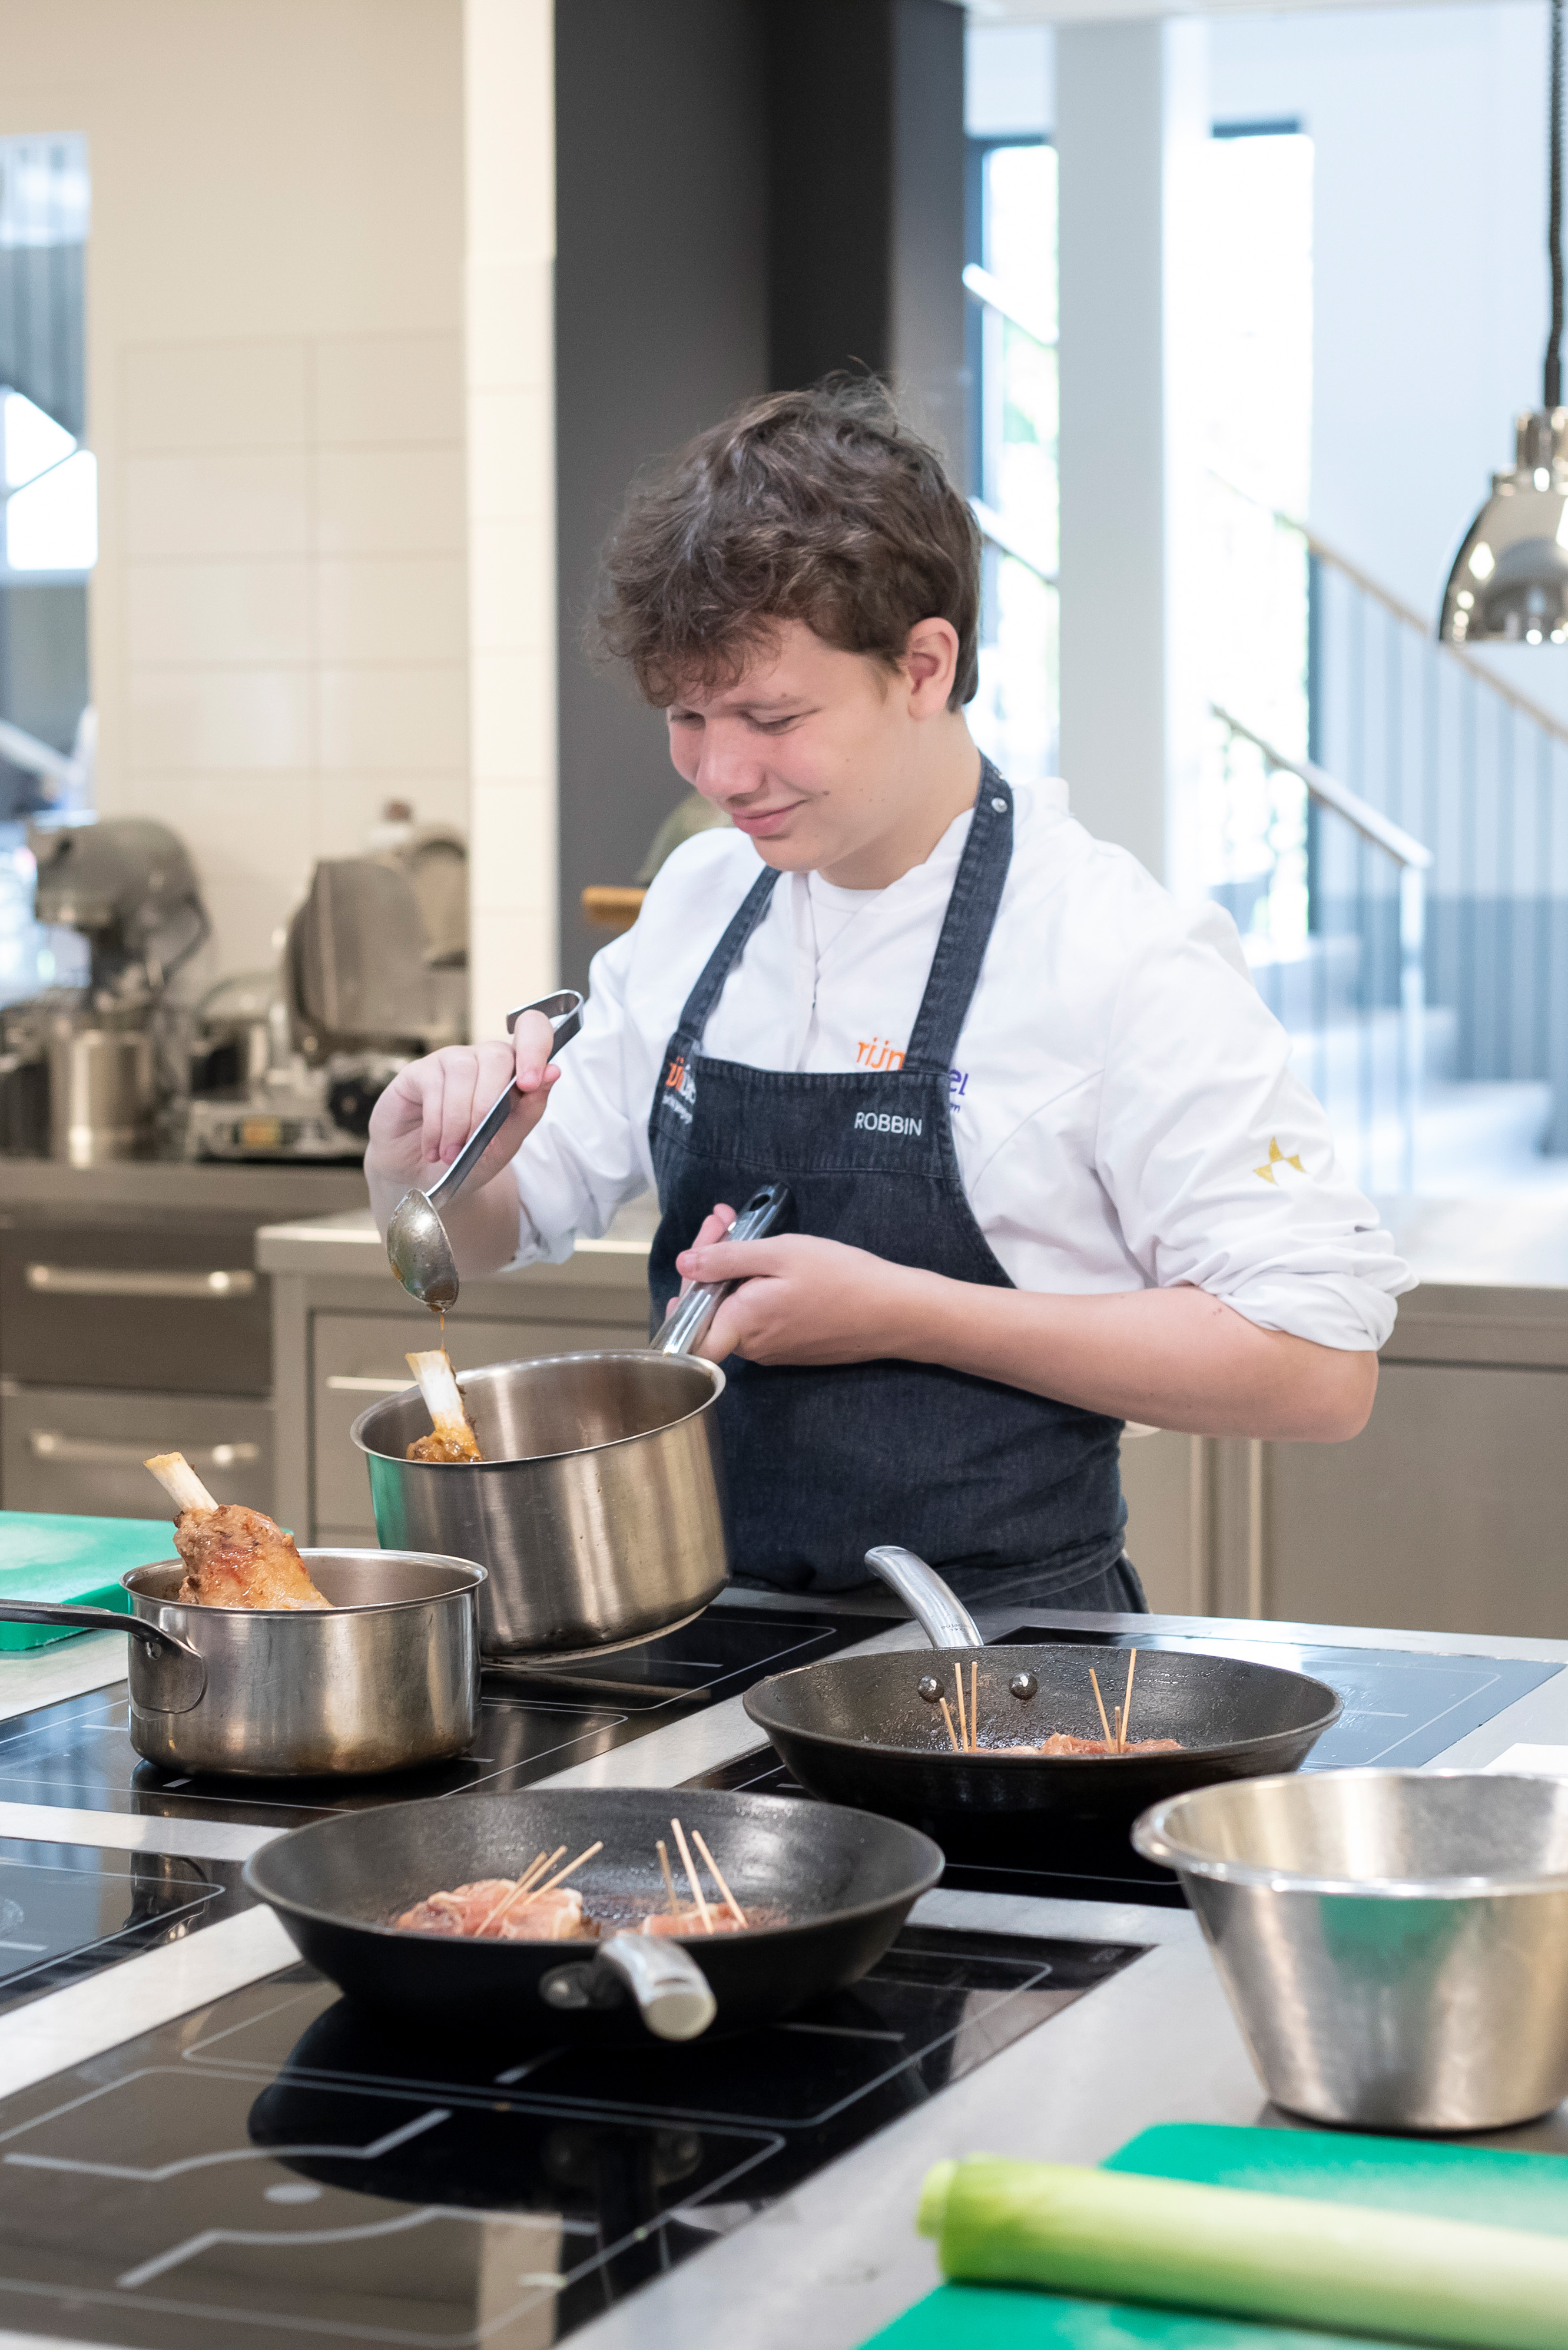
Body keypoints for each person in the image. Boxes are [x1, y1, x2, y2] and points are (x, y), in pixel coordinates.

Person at [360, 382, 1411, 1613]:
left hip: (1007, 1673)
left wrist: (911, 1314)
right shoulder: (703, 898)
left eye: (770, 716)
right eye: (686, 717)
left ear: (923, 665)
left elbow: (1316, 1370)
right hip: (700, 1638)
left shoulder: (1117, 953)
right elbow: (501, 1227)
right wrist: (423, 1163)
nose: (719, 772)